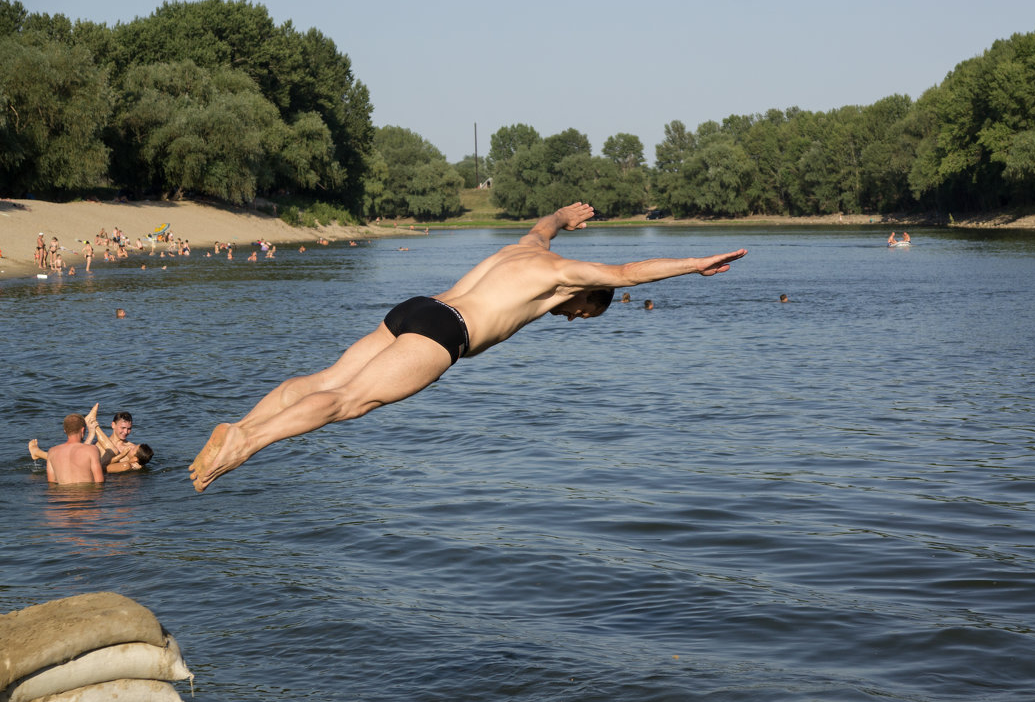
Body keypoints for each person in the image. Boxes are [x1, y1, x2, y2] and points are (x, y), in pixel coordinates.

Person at [190, 201, 746, 493]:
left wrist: (561, 216)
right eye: (582, 313)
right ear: (584, 296)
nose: (573, 317)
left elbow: (543, 226)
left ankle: (241, 422)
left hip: (417, 307)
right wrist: (694, 264)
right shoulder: (571, 277)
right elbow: (628, 270)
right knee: (349, 401)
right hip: (446, 330)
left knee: (321, 381)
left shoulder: (525, 249)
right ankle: (246, 441)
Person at [38, 414, 104, 484]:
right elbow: (99, 482)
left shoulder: (52, 451)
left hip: (62, 494)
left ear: (65, 430)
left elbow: (51, 483)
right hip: (85, 493)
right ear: (82, 430)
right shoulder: (92, 450)